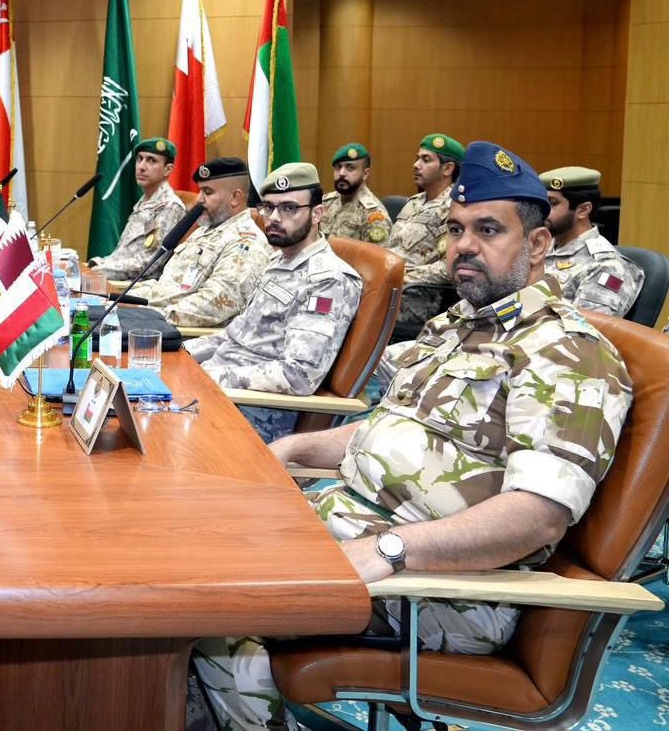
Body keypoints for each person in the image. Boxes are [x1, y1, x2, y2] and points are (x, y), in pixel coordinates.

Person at [192, 141, 633, 731]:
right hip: (348, 528)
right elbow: (387, 429)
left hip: (447, 587)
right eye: (455, 229)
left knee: (202, 605)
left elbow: (537, 517)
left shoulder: (567, 353)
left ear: (536, 245)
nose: (464, 245)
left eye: (487, 230)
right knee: (185, 542)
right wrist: (289, 450)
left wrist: (389, 550)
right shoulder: (458, 326)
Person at [184, 163, 362, 443]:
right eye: (269, 207)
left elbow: (297, 375)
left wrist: (211, 377)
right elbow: (235, 336)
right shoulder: (279, 259)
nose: (275, 218)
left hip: (254, 412)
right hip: (217, 392)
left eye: (289, 208)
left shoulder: (328, 280)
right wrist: (179, 353)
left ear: (317, 213)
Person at [126, 157, 269, 327]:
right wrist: (122, 298)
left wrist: (145, 316)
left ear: (235, 197)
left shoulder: (246, 244)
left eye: (207, 192)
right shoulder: (203, 231)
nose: (199, 200)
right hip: (156, 321)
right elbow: (167, 288)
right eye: (200, 191)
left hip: (184, 334)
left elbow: (210, 306)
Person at [540, 166, 642, 318]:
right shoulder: (538, 248)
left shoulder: (607, 266)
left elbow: (587, 327)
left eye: (553, 203)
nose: (542, 211)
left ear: (583, 210)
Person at [387, 133, 463, 336]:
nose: (416, 165)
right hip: (389, 290)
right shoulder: (413, 203)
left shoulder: (455, 209)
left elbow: (450, 266)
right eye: (417, 158)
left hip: (416, 299)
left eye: (426, 160)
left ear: (447, 169)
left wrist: (401, 276)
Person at [88, 137, 188, 281]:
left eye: (151, 160)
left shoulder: (169, 206)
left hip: (138, 287)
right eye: (140, 159)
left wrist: (99, 271)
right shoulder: (144, 202)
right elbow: (122, 254)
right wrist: (98, 264)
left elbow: (149, 264)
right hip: (116, 279)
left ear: (168, 169)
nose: (141, 166)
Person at [318, 142, 391, 245]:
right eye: (338, 167)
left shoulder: (373, 214)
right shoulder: (325, 202)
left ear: (365, 174)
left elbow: (375, 254)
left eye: (350, 168)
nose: (341, 173)